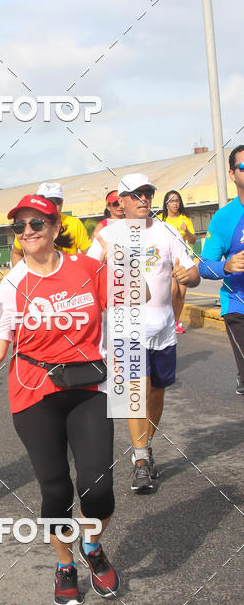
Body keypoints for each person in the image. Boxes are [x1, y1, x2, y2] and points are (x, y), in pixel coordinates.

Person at [0, 194, 117, 605]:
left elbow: (129, 307)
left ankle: (92, 545)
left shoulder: (87, 268)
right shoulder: (13, 285)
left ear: (56, 226)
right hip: (35, 393)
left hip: (89, 387)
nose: (27, 232)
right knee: (56, 490)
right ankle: (65, 565)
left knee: (98, 488)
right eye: (20, 226)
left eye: (36, 223)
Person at [88, 173, 200, 491]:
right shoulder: (107, 235)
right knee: (136, 391)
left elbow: (192, 272)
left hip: (163, 327)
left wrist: (188, 276)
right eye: (136, 195)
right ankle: (140, 459)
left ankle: (145, 448)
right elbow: (84, 277)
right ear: (121, 201)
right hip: (126, 329)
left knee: (156, 394)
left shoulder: (167, 232)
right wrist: (100, 265)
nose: (144, 200)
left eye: (148, 193)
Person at [199, 145, 244, 395]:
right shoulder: (224, 218)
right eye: (243, 167)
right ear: (232, 174)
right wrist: (226, 266)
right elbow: (204, 266)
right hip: (239, 305)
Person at [10, 182, 91, 266]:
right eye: (45, 201)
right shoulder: (26, 228)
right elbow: (16, 253)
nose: (28, 232)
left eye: (56, 201)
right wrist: (21, 272)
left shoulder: (74, 223)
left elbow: (89, 254)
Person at [161, 190, 197, 334]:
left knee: (181, 293)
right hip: (166, 259)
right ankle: (167, 319)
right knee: (172, 290)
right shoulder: (160, 219)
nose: (175, 204)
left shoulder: (185, 218)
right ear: (166, 204)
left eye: (177, 201)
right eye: (172, 201)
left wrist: (186, 231)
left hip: (181, 259)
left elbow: (193, 240)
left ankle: (176, 321)